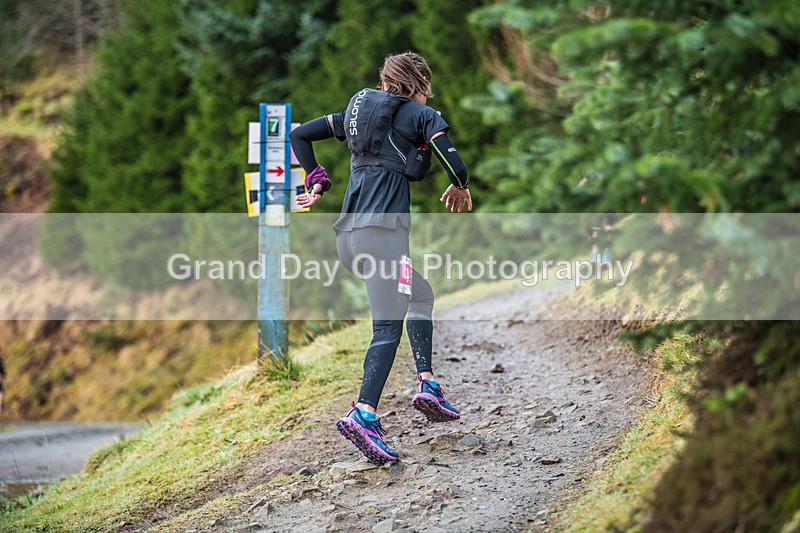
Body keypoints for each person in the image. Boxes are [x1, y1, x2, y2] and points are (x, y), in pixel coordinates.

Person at [289, 51, 472, 464]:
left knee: (420, 293)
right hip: (382, 238)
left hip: (349, 239)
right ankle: (363, 415)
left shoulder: (357, 113)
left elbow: (299, 135)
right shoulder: (421, 114)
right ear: (420, 82)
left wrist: (316, 180)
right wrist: (460, 185)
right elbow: (455, 164)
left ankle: (428, 384)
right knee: (387, 327)